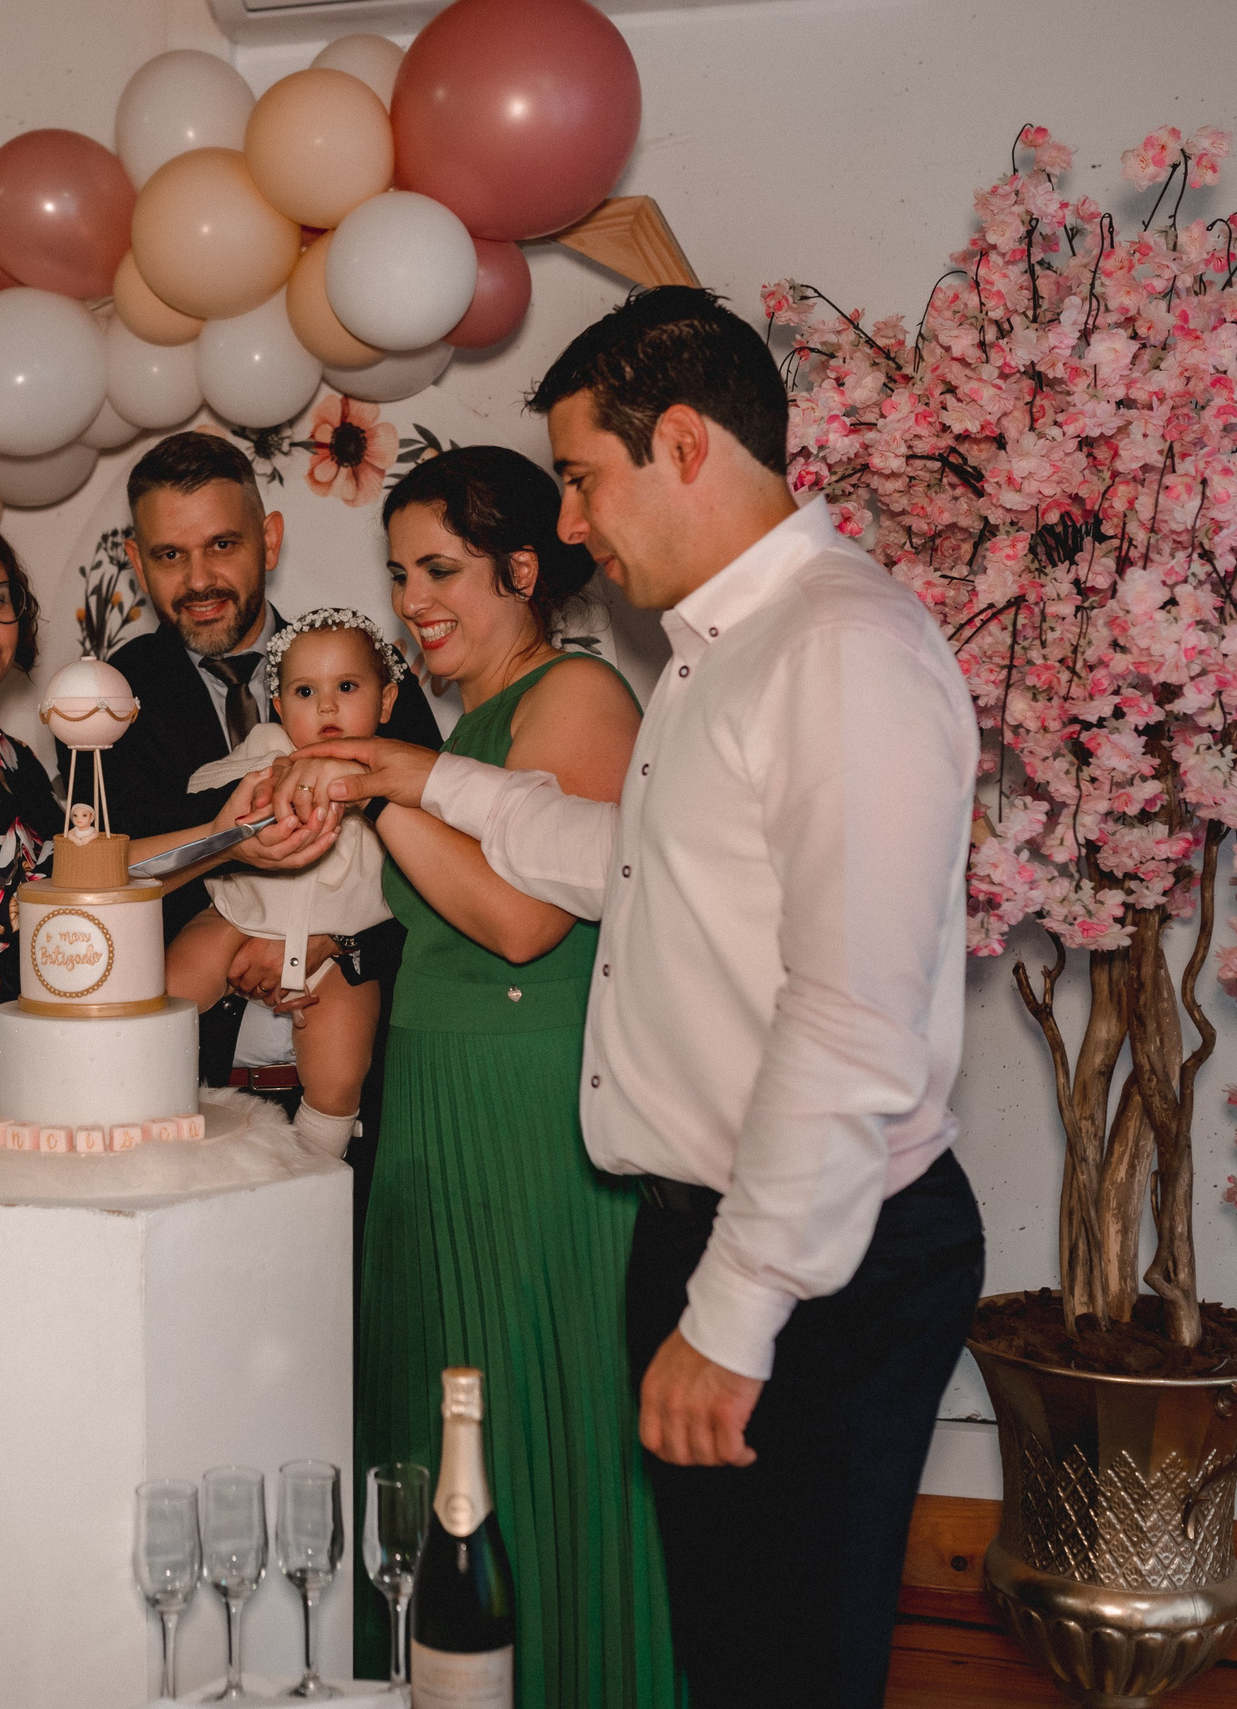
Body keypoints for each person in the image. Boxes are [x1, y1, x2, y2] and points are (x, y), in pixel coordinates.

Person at [277, 289, 986, 1708]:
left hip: (811, 1259)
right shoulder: (724, 653)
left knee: (783, 1667)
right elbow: (623, 863)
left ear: (681, 441)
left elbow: (851, 1020)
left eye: (587, 480)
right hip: (709, 1231)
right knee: (721, 1648)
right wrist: (421, 775)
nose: (579, 526)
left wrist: (733, 1314)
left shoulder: (840, 649)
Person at [0, 506, 335, 1581]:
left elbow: (92, 878)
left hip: (7, 1051)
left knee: (8, 1332)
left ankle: (6, 1561)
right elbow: (53, 883)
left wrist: (239, 834)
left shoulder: (6, 752)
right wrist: (240, 833)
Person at [327, 445, 672, 1708]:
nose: (412, 598)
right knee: (432, 1412)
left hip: (524, 1121)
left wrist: (375, 784)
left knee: (523, 1411)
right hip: (431, 1102)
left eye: (441, 569)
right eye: (398, 573)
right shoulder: (463, 720)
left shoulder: (572, 691)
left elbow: (527, 924)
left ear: (524, 570)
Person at [82, 431, 442, 1221]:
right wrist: (234, 871)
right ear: (138, 567)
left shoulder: (364, 668)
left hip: (353, 1092)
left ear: (269, 541)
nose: (200, 578)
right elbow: (98, 882)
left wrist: (337, 944)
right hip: (186, 1106)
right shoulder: (111, 697)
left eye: (222, 544)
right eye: (170, 555)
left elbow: (437, 871)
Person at [170, 609, 410, 1153]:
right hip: (240, 916)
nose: (326, 706)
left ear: (386, 701)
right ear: (279, 706)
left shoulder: (396, 771)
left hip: (340, 945)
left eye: (347, 687)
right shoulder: (266, 749)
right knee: (166, 994)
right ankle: (137, 1110)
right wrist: (261, 781)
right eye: (305, 692)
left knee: (339, 1074)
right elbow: (200, 786)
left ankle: (313, 1174)